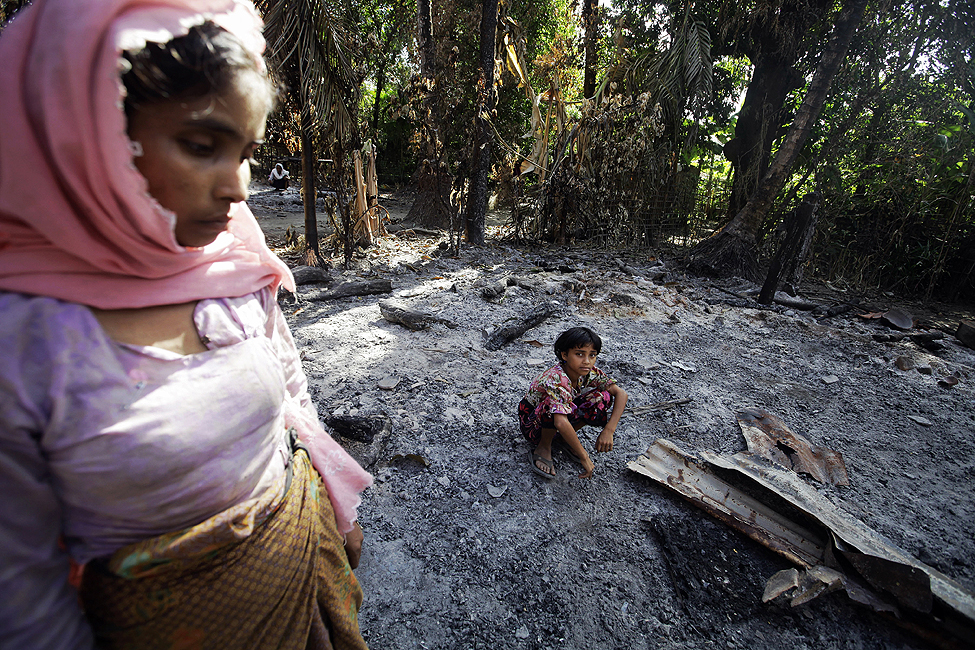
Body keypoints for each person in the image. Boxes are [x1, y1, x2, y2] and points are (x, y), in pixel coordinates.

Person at [0, 1, 372, 648]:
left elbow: (290, 387)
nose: (238, 188)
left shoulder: (229, 263)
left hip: (302, 583)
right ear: (88, 139)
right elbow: (22, 593)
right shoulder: (25, 341)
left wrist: (334, 503)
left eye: (247, 152)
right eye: (201, 146)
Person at [518, 327, 628, 479]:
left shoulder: (587, 371)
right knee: (553, 405)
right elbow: (561, 422)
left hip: (560, 415)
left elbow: (620, 393)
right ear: (565, 355)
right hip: (533, 422)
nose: (587, 361)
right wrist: (585, 457)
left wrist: (609, 430)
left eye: (592, 355)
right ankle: (543, 446)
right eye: (579, 354)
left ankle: (564, 438)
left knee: (603, 396)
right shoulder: (556, 379)